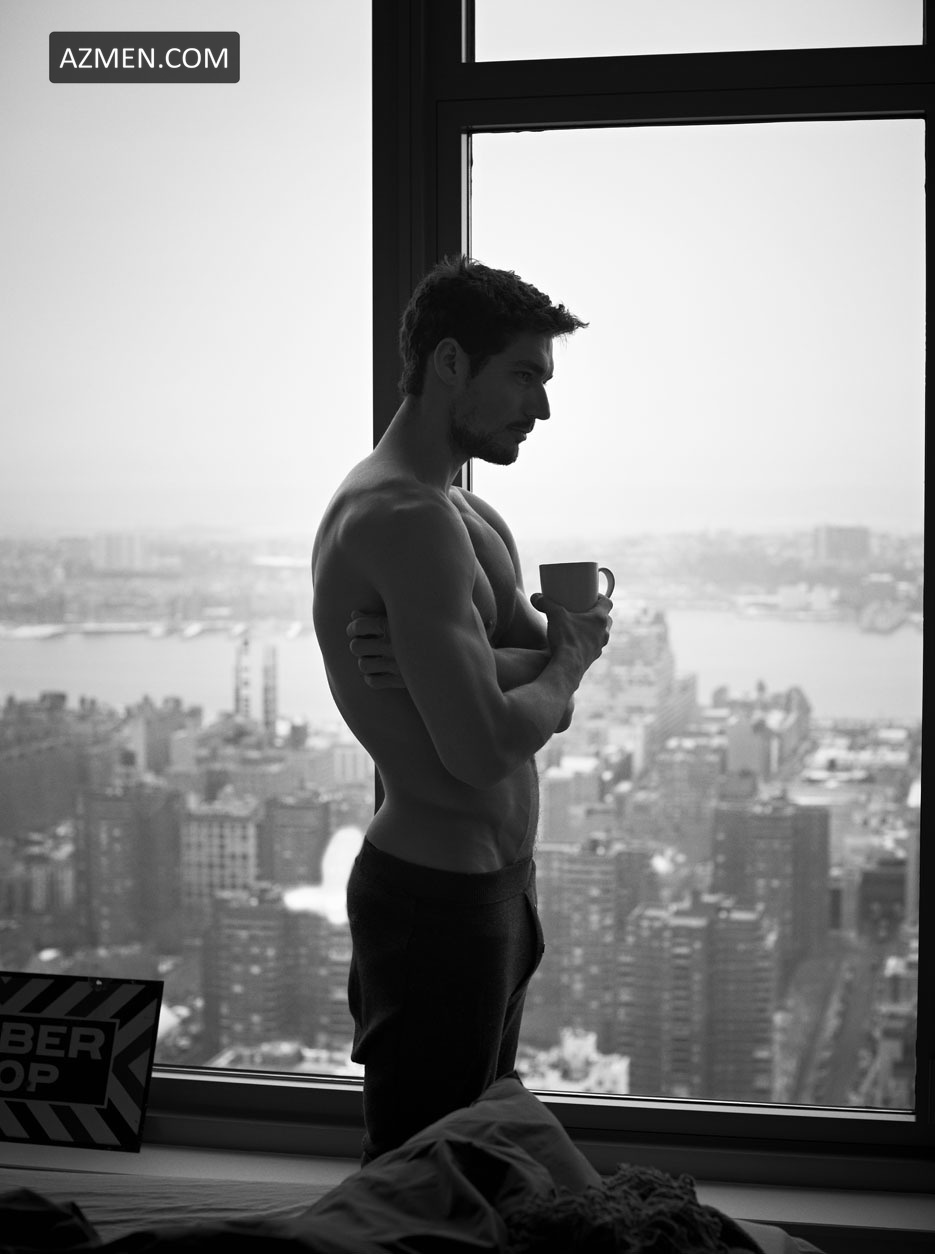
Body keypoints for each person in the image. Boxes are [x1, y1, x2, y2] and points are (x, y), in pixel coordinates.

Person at [311, 255, 614, 1163]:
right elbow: (483, 745)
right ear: (450, 362)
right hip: (434, 904)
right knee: (419, 1182)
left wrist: (487, 667)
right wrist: (561, 658)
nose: (542, 407)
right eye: (524, 375)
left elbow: (549, 687)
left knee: (474, 1170)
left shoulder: (470, 518)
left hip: (499, 890)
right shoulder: (402, 519)